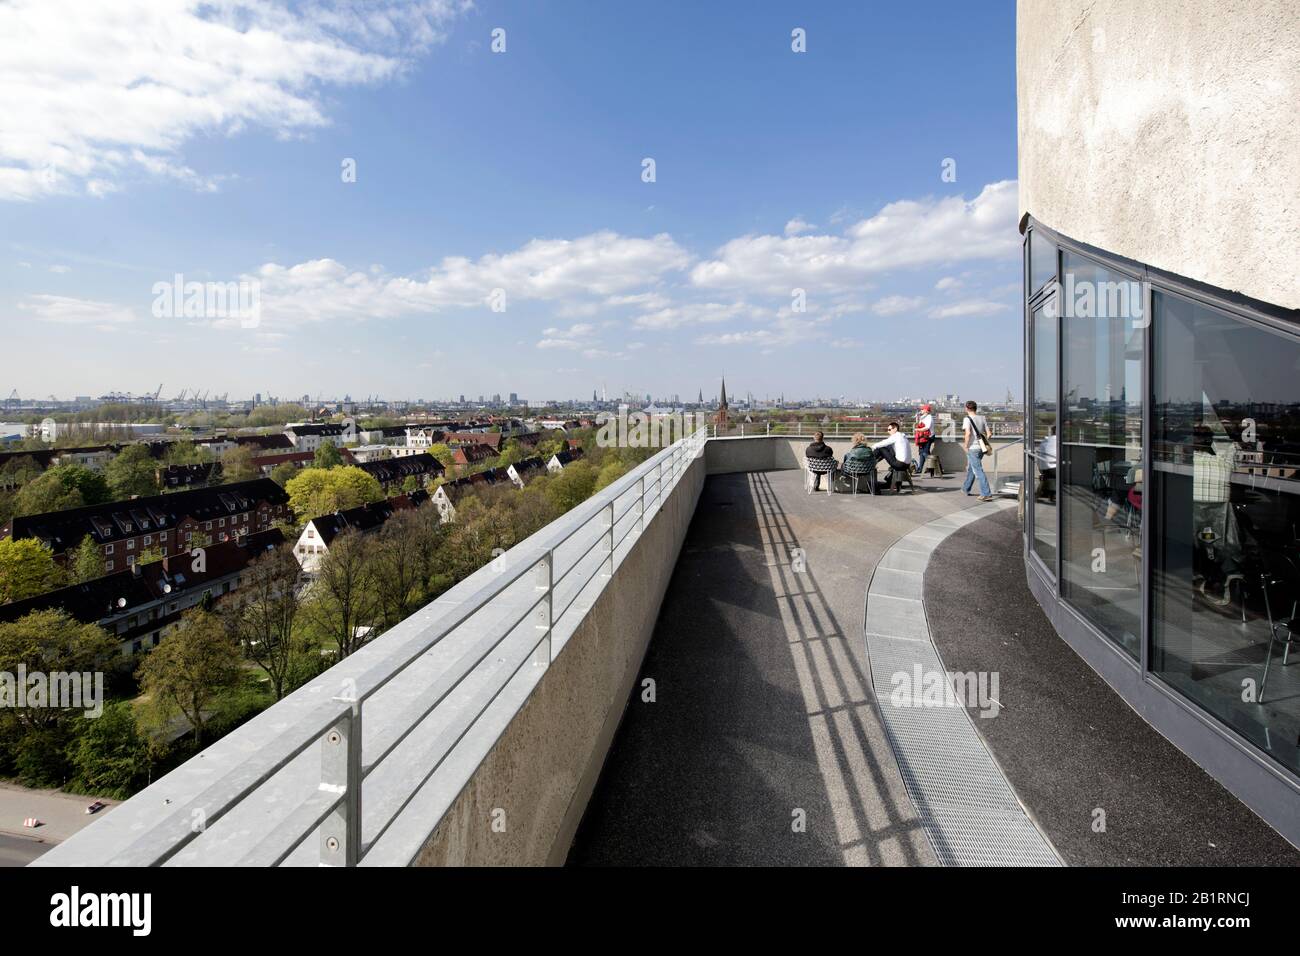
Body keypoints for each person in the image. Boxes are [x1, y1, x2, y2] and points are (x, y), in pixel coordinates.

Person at [962, 400, 994, 501]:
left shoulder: (967, 419)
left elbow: (967, 434)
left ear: (967, 408)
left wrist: (966, 446)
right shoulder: (982, 418)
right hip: (981, 447)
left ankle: (986, 494)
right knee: (973, 467)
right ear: (976, 408)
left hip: (973, 447)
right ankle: (965, 488)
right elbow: (989, 434)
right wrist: (983, 442)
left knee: (978, 470)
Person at [914, 404, 936, 475]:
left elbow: (927, 427)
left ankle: (934, 468)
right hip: (923, 437)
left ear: (926, 410)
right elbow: (920, 425)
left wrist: (917, 429)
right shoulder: (923, 417)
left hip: (928, 437)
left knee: (925, 453)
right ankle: (921, 468)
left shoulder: (929, 417)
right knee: (921, 453)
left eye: (922, 409)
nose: (921, 410)